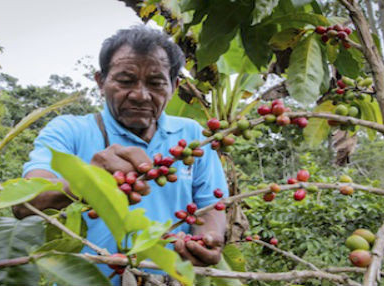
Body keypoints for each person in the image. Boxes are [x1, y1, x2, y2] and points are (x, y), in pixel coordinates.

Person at [13, 25, 228, 284]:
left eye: (156, 83)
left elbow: (210, 207)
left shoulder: (193, 137)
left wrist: (208, 238)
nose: (140, 95)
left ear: (174, 86)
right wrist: (87, 181)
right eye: (125, 81)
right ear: (100, 82)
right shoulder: (69, 130)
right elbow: (25, 202)